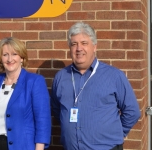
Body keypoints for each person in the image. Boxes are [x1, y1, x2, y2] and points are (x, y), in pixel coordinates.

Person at [51, 22, 141, 150]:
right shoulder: (61, 77)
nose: (79, 48)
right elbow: (57, 110)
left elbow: (132, 112)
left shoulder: (114, 76)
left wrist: (116, 134)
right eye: (74, 44)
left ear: (94, 47)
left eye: (84, 43)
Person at [0, 37, 51, 150]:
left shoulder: (34, 81)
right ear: (0, 58)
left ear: (22, 57)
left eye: (14, 54)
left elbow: (42, 120)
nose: (10, 59)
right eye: (5, 55)